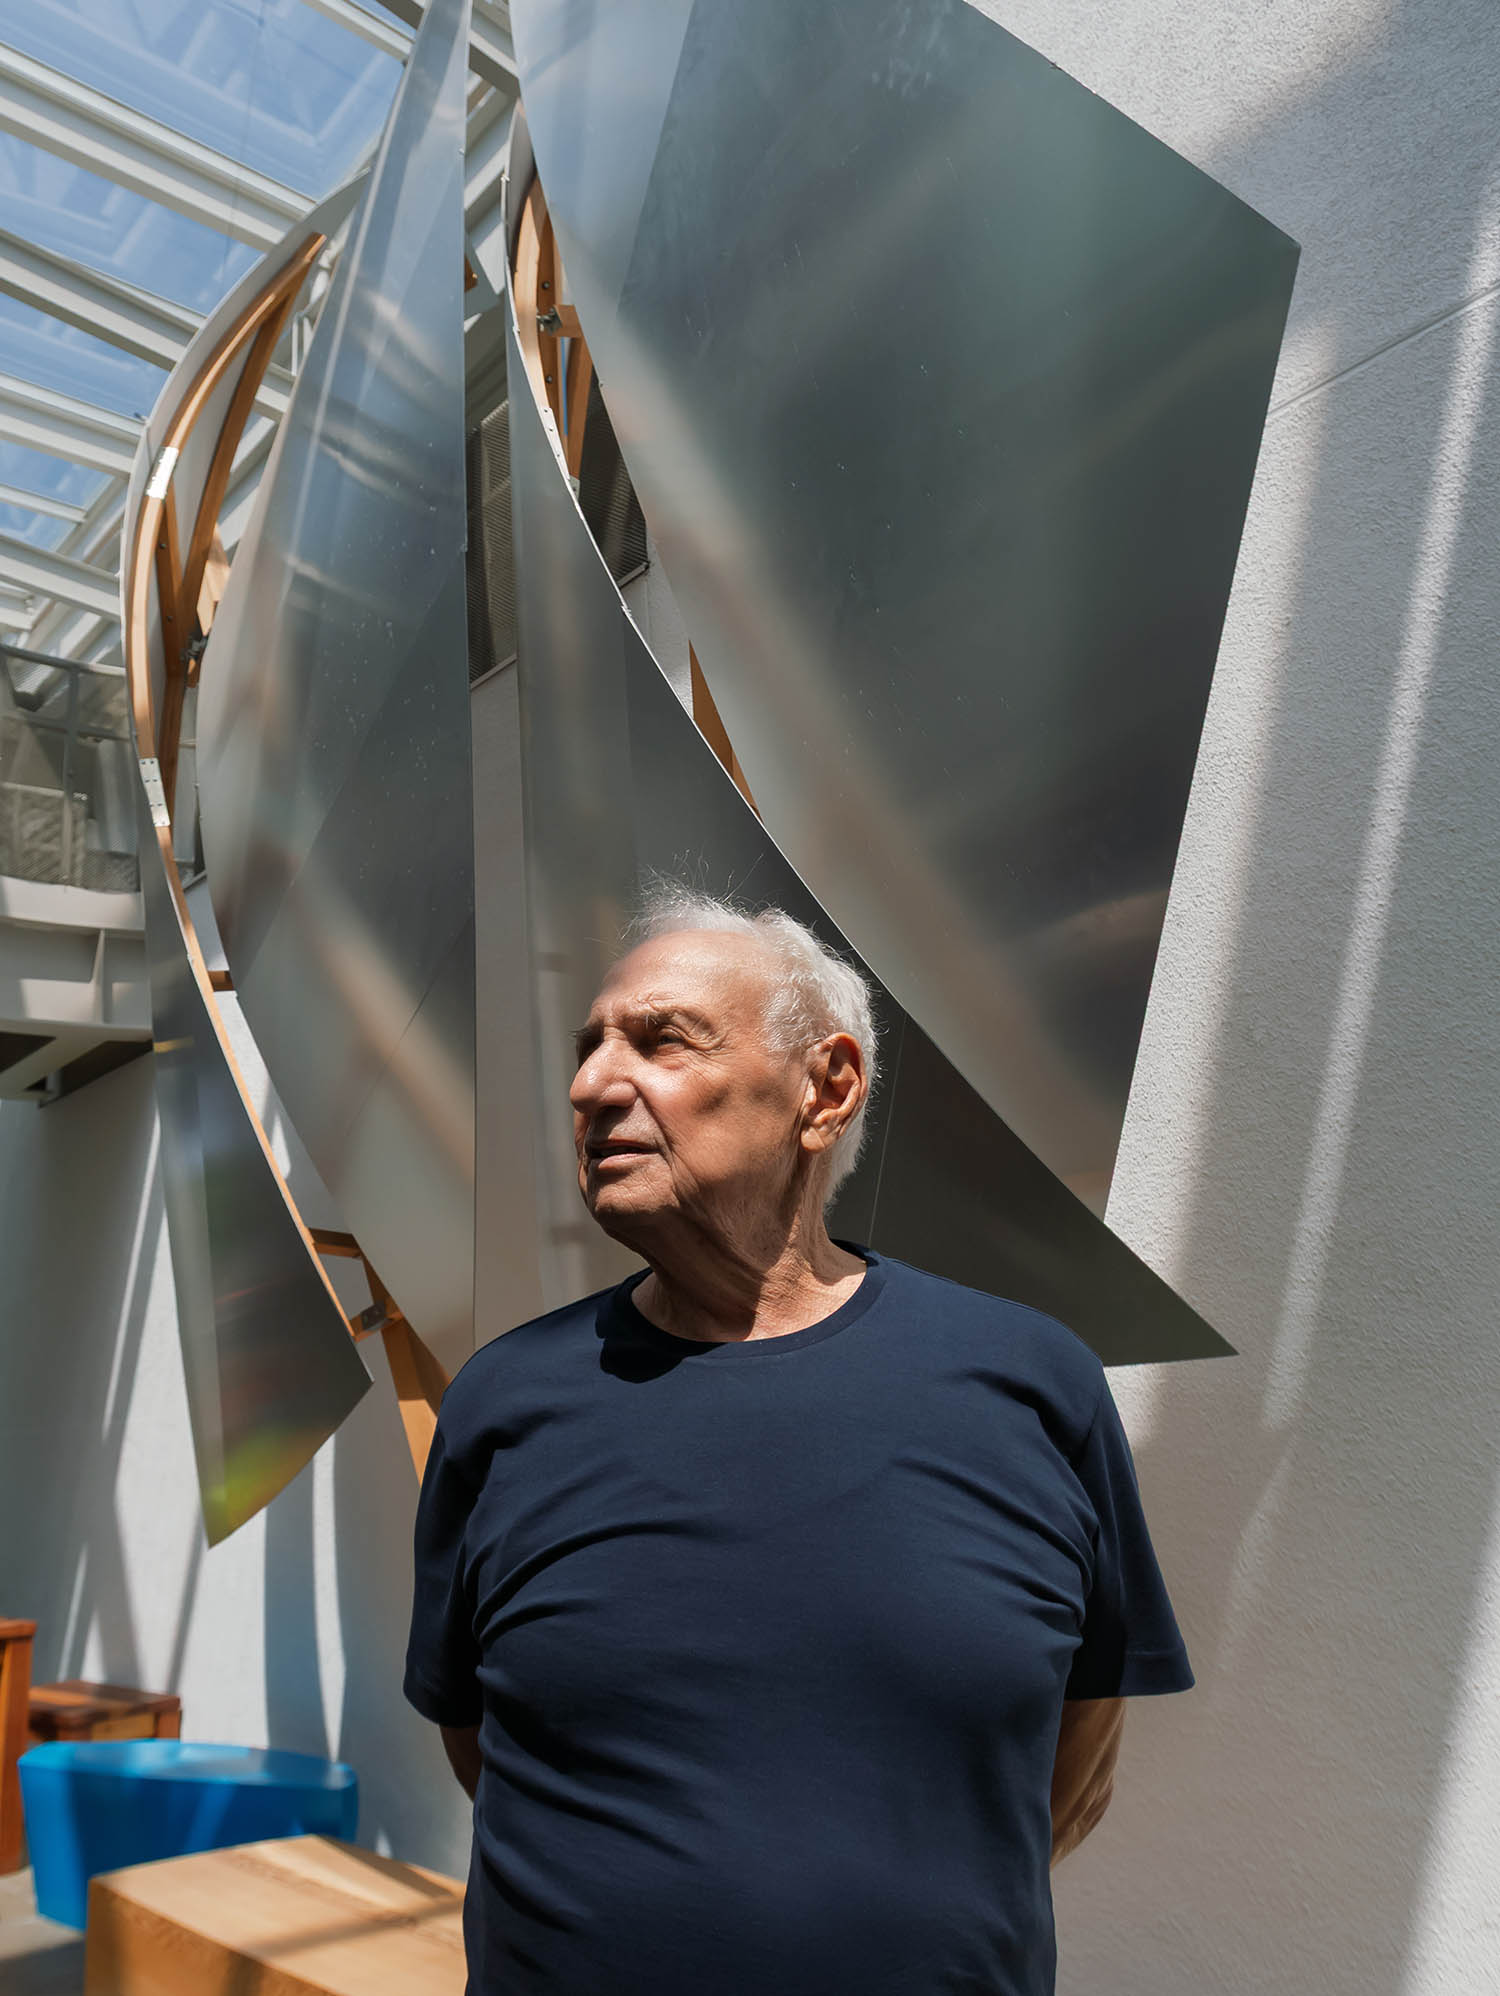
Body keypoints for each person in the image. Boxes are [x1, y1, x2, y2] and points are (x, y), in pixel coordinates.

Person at [405, 888, 1193, 1996]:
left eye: (661, 1039)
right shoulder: (505, 1403)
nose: (589, 1085)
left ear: (825, 1090)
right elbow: (489, 1747)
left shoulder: (1031, 1384)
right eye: (587, 1048)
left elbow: (1072, 1752)